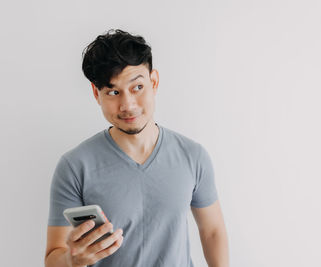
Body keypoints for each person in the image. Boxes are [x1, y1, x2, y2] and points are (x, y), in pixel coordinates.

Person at [44, 29, 229, 267]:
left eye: (137, 87)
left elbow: (212, 231)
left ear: (153, 82)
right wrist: (71, 259)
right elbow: (52, 258)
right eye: (113, 92)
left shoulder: (193, 156)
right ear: (96, 94)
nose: (127, 105)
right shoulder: (74, 166)